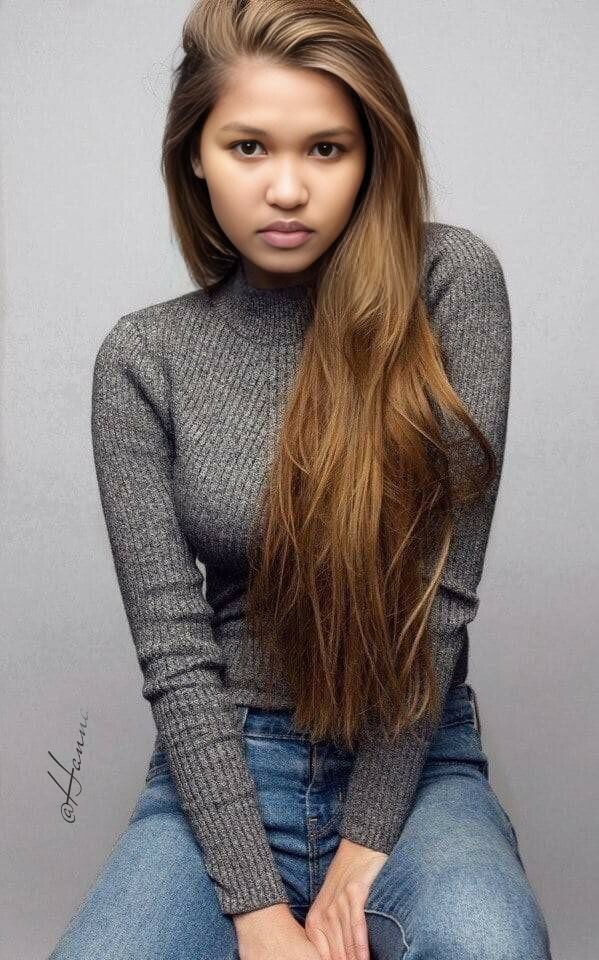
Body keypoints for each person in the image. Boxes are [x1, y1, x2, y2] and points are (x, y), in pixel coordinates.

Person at [49, 1, 554, 958]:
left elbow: (437, 600)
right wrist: (255, 907)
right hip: (223, 773)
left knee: (487, 939)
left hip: (413, 764)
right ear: (195, 157)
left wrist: (364, 845)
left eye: (326, 149)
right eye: (247, 147)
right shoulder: (145, 359)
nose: (287, 189)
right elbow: (175, 651)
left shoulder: (449, 284)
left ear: (372, 155)